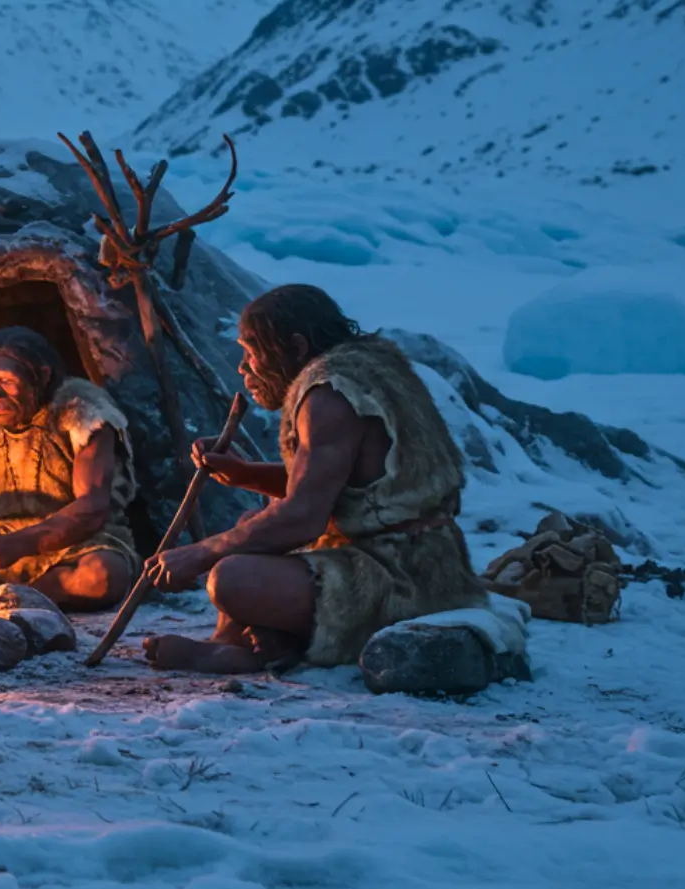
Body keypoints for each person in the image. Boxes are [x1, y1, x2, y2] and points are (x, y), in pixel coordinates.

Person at [141, 284, 488, 673]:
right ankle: (238, 642)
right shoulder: (369, 370)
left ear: (296, 347)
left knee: (231, 577)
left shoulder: (330, 395)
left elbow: (303, 518)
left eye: (252, 352)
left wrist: (201, 553)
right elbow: (346, 487)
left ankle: (265, 645)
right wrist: (246, 475)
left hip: (403, 580)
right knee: (247, 527)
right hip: (425, 562)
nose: (242, 368)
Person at [0, 327, 139, 611]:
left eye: (6, 381)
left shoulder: (81, 411)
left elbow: (92, 506)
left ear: (42, 376)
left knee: (102, 575)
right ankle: (14, 597)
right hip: (4, 547)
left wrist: (18, 544)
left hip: (80, 545)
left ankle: (13, 598)